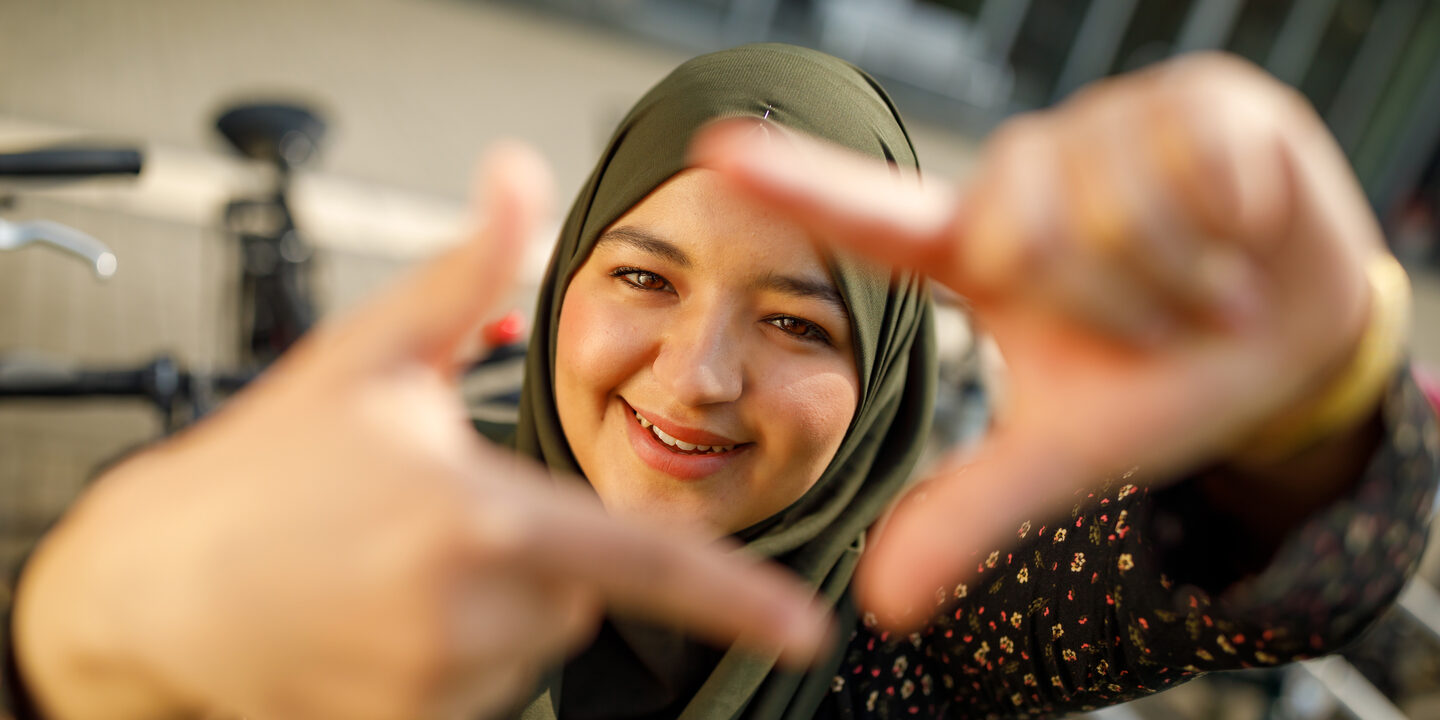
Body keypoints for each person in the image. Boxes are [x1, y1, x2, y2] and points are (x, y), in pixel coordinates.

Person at [4, 43, 1436, 720]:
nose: (697, 380)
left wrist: (1306, 406)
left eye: (801, 325)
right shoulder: (373, 533)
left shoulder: (902, 635)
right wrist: (75, 638)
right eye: (644, 279)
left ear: (886, 376)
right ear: (564, 280)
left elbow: (1290, 584)